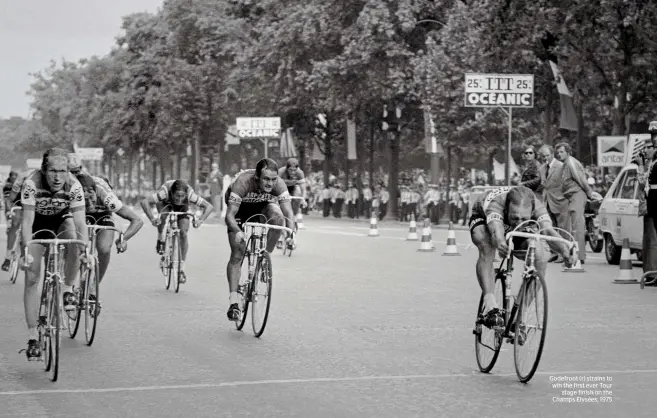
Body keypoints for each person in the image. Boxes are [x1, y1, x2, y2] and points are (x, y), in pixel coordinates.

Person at [469, 185, 576, 327]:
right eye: (515, 218)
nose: (519, 223)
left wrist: (564, 251)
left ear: (532, 211)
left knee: (539, 255)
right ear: (507, 209)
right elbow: (496, 231)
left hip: (511, 224)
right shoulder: (497, 204)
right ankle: (490, 304)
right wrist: (500, 243)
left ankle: (522, 312)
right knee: (486, 245)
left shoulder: (538, 205)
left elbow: (548, 231)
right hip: (484, 218)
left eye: (524, 218)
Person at [20, 148, 90, 360]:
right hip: (37, 223)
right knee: (32, 278)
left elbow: (80, 222)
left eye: (62, 171)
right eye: (52, 172)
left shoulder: (74, 185)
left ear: (68, 170)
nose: (58, 177)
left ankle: (67, 288)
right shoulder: (31, 183)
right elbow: (27, 222)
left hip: (61, 219)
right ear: (44, 170)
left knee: (75, 240)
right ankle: (33, 337)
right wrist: (26, 253)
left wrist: (85, 249)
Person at [224, 158, 295, 321]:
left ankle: (264, 258)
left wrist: (291, 233)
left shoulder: (279, 185)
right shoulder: (243, 182)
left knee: (278, 218)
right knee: (238, 252)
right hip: (239, 209)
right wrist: (237, 231)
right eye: (266, 179)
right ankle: (234, 303)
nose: (270, 183)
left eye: (273, 179)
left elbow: (288, 213)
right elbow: (229, 216)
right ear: (257, 177)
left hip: (262, 205)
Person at [73, 172, 144, 283]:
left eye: (91, 198)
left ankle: (94, 285)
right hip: (78, 212)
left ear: (96, 192)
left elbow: (137, 220)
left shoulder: (107, 197)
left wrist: (123, 239)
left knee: (104, 249)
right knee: (75, 248)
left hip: (103, 213)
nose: (88, 203)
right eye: (84, 199)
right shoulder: (71, 191)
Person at [140, 179, 214, 283]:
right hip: (165, 203)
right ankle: (161, 237)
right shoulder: (164, 193)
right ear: (172, 193)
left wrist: (200, 220)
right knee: (163, 216)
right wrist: (152, 219)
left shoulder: (190, 195)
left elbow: (209, 206)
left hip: (182, 208)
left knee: (183, 233)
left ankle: (181, 269)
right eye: (177, 196)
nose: (179, 199)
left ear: (186, 195)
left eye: (182, 196)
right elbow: (144, 202)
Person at [555, 143, 599, 265]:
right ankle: (577, 254)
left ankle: (579, 256)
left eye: (562, 152)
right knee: (575, 225)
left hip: (577, 195)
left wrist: (589, 193)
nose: (559, 154)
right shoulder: (565, 164)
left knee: (577, 226)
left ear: (568, 152)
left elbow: (581, 179)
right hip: (572, 196)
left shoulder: (571, 163)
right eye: (558, 152)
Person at [2, 170, 18, 271]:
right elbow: (8, 200)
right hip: (14, 206)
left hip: (25, 207)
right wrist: (8, 212)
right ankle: (7, 258)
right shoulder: (8, 186)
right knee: (14, 224)